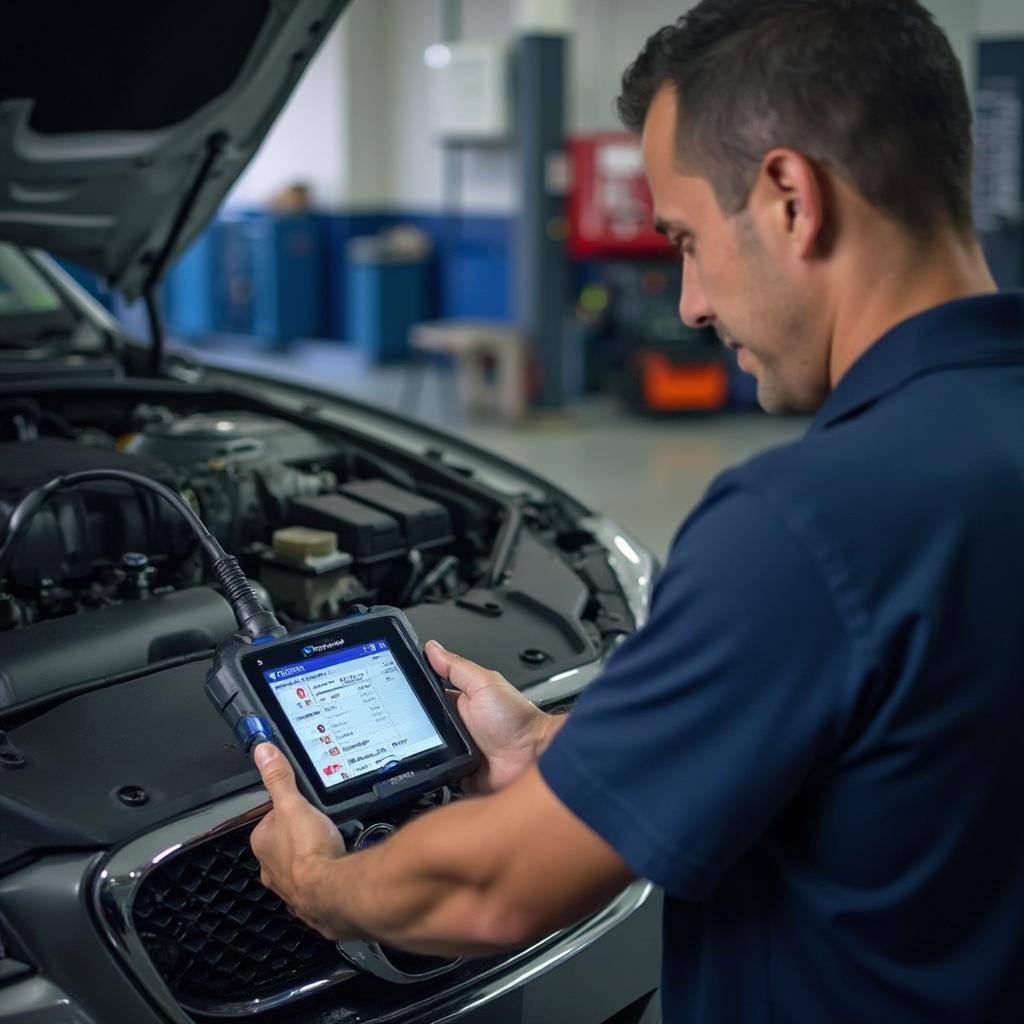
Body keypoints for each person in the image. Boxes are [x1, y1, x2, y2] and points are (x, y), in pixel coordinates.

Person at [248, 1, 1024, 1020]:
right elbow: (871, 754)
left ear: (791, 197)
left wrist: (317, 885)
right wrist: (547, 750)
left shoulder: (808, 523)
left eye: (688, 239)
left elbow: (494, 885)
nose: (692, 302)